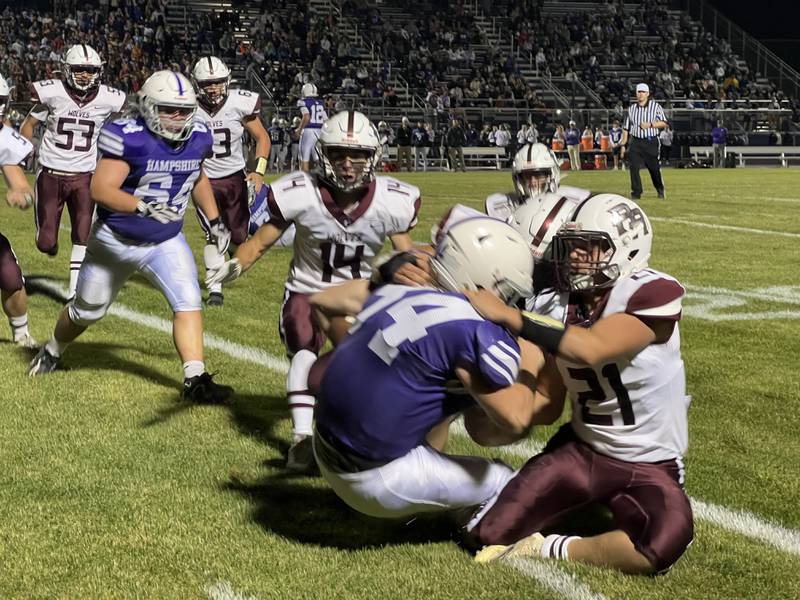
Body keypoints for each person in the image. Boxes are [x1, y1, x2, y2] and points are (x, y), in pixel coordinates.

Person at [464, 194, 694, 575]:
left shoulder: (648, 292)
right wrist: (481, 398)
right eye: (573, 246)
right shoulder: (555, 306)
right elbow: (550, 401)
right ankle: (569, 496)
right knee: (487, 535)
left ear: (628, 247)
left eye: (592, 246)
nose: (577, 256)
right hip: (583, 451)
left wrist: (511, 317)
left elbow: (591, 348)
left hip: (649, 462)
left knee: (659, 543)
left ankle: (552, 546)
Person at [206, 110, 421, 472]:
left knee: (385, 365)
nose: (349, 164)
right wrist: (235, 265)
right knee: (304, 351)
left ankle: (382, 438)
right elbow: (259, 242)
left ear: (374, 156)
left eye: (358, 156)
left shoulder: (391, 200)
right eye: (338, 154)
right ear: (324, 155)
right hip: (307, 291)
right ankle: (302, 440)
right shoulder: (301, 192)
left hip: (361, 297)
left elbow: (407, 255)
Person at [309, 217, 550, 522]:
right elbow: (514, 419)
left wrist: (362, 357)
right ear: (484, 282)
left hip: (325, 443)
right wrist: (532, 358)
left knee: (439, 391)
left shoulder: (397, 290)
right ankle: (465, 526)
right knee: (506, 480)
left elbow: (321, 301)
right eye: (508, 291)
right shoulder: (469, 329)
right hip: (372, 478)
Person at [28, 71, 233, 405]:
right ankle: (53, 349)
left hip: (166, 240)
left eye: (184, 110)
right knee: (87, 311)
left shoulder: (198, 137)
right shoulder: (130, 136)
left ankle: (195, 378)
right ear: (149, 106)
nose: (178, 117)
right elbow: (100, 189)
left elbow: (197, 176)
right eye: (169, 109)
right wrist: (143, 207)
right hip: (115, 240)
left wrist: (214, 220)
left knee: (188, 300)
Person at [20, 44, 126, 300]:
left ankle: (74, 292)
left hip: (84, 175)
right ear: (67, 70)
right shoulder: (53, 95)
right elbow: (28, 125)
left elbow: (121, 130)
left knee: (83, 235)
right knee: (45, 242)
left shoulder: (107, 99)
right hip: (51, 173)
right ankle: (51, 242)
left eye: (90, 71)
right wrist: (23, 154)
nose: (84, 75)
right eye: (79, 70)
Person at [192, 56, 271, 307]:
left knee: (238, 238)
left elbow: (262, 138)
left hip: (235, 177)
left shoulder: (239, 103)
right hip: (202, 179)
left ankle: (234, 260)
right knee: (214, 234)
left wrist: (258, 171)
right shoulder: (188, 107)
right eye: (207, 83)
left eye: (217, 82)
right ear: (197, 85)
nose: (213, 88)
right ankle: (215, 289)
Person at [0, 73, 38, 348]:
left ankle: (21, 334)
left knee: (10, 275)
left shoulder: (4, 139)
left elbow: (23, 187)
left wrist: (22, 196)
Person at [484, 143, 591, 223]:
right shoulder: (502, 207)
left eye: (539, 175)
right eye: (527, 176)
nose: (533, 182)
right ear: (518, 179)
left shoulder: (574, 202)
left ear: (552, 175)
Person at [622, 83, 667, 199]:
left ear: (647, 94)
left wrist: (650, 125)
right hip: (636, 141)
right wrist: (623, 144)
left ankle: (660, 188)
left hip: (650, 141)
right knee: (634, 167)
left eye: (643, 92)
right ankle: (636, 192)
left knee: (654, 168)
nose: (641, 94)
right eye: (639, 92)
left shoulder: (655, 107)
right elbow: (626, 127)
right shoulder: (631, 109)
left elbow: (664, 123)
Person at [295, 83, 328, 172]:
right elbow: (326, 120)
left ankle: (305, 183)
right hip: (320, 131)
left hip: (308, 131)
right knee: (319, 160)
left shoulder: (303, 102)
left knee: (304, 160)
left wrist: (299, 129)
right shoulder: (321, 103)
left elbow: (306, 117)